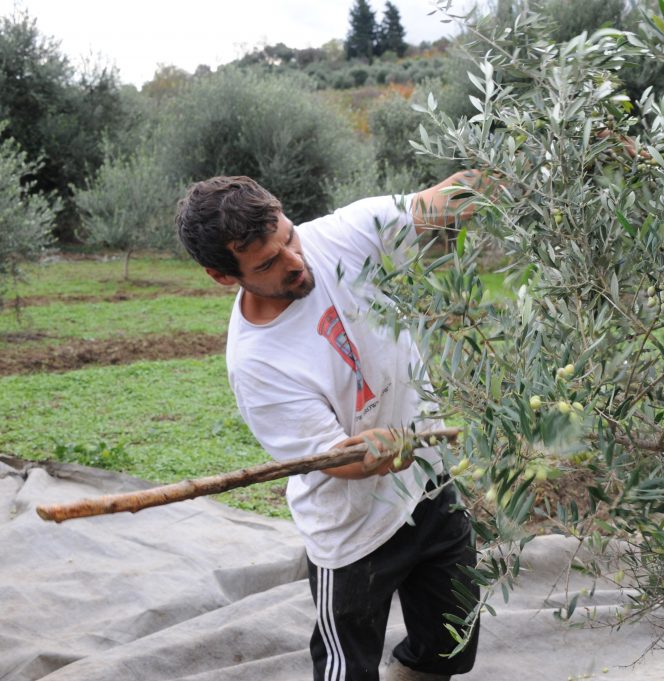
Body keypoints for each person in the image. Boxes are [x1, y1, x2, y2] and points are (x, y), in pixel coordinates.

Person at [175, 172, 484, 681]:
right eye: (269, 263)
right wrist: (370, 451)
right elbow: (337, 459)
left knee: (452, 642)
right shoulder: (257, 364)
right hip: (354, 531)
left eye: (288, 237)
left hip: (430, 484)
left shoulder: (341, 235)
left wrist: (530, 150)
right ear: (223, 275)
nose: (296, 261)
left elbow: (435, 204)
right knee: (347, 670)